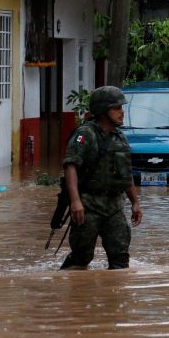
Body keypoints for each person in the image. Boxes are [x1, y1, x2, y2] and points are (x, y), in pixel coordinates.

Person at [60, 86, 142, 270]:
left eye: (122, 108)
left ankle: (115, 297)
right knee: (81, 258)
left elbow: (125, 173)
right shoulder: (85, 135)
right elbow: (70, 165)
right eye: (116, 108)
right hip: (88, 205)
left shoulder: (120, 137)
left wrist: (135, 202)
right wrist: (75, 202)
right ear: (103, 111)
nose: (122, 113)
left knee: (120, 258)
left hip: (114, 205)